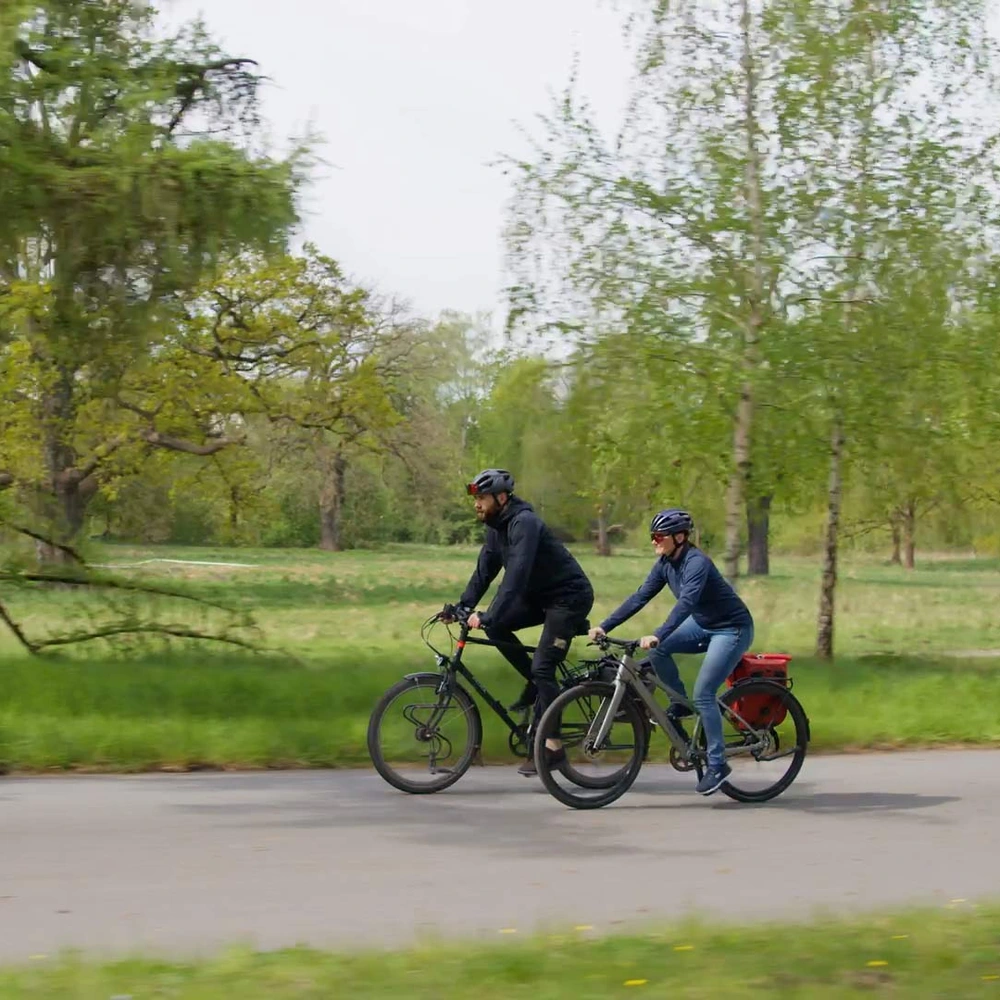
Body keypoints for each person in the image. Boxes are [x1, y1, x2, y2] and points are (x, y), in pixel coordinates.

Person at [588, 508, 754, 796]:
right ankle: (680, 705)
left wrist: (658, 634)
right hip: (703, 624)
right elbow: (640, 596)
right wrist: (605, 625)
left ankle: (717, 764)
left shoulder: (696, 563)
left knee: (704, 692)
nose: (654, 541)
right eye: (652, 536)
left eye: (658, 536)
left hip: (731, 629)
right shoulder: (666, 562)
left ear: (679, 537)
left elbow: (686, 603)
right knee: (659, 652)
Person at [446, 468, 595, 777]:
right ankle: (538, 686)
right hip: (540, 598)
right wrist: (462, 606)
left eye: (482, 498)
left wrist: (489, 613)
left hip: (568, 598)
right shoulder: (496, 527)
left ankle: (552, 747)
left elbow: (516, 576)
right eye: (476, 499)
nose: (477, 505)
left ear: (501, 498)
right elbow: (484, 572)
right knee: (498, 628)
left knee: (543, 666)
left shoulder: (524, 523)